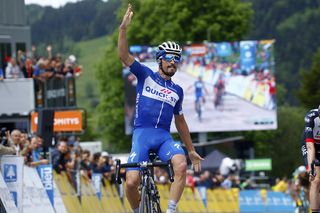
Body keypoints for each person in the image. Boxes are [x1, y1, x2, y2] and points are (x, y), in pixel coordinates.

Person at [118, 4, 203, 213]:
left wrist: (191, 150)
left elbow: (180, 122)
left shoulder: (177, 90)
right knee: (130, 182)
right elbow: (123, 55)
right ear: (159, 59)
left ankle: (171, 210)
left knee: (182, 165)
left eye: (177, 59)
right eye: (169, 57)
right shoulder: (145, 75)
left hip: (164, 137)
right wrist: (123, 29)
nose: (173, 62)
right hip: (142, 135)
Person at [301, 105, 320, 213]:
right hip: (310, 144)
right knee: (315, 180)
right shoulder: (311, 117)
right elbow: (310, 147)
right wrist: (311, 166)